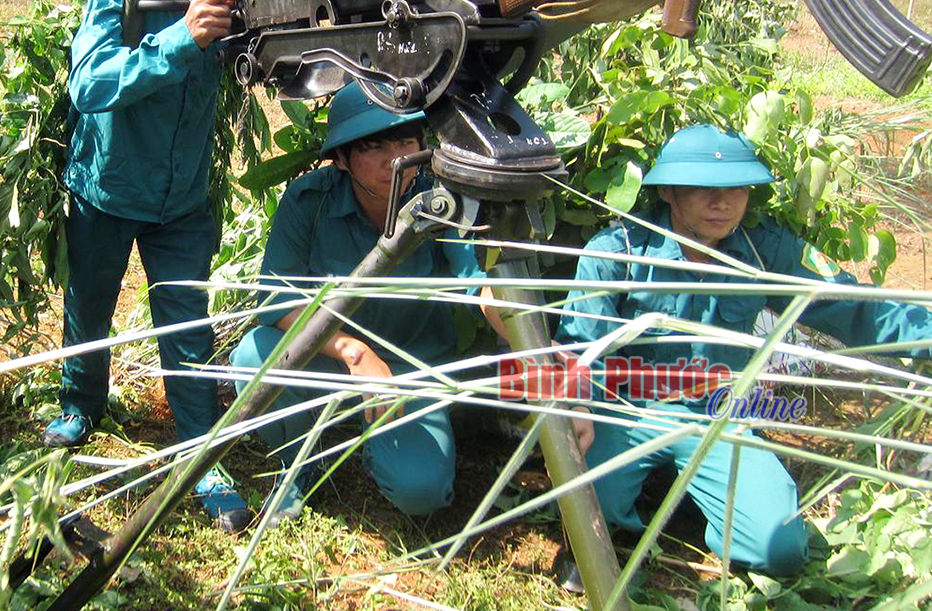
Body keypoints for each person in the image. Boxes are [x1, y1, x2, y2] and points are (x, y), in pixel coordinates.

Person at [556, 124, 932, 575]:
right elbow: (578, 350)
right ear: (669, 193)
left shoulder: (762, 251)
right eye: (703, 190)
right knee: (589, 509)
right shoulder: (621, 251)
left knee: (779, 548)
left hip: (720, 416)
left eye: (737, 189)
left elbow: (852, 309)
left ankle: (708, 507)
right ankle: (646, 501)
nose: (723, 204)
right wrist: (576, 407)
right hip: (627, 412)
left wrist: (924, 333)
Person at [42, 0, 276, 533]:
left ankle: (200, 457)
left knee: (187, 326)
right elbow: (88, 85)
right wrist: (179, 39)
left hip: (181, 199)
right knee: (89, 307)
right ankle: (79, 406)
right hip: (106, 187)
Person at [230, 82, 503, 523]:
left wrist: (539, 352)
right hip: (331, 360)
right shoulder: (309, 203)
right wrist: (356, 354)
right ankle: (302, 458)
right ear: (341, 159)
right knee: (251, 359)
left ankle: (380, 446)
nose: (393, 159)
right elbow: (277, 302)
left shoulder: (440, 202)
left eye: (404, 141)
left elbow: (482, 288)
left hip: (410, 369)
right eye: (373, 146)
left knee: (422, 493)